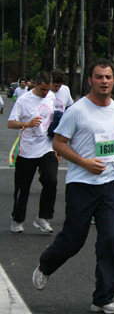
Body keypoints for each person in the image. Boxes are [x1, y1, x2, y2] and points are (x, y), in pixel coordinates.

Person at [32, 59, 114, 314]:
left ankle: (104, 297)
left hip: (109, 184)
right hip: (81, 184)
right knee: (74, 240)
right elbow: (58, 143)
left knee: (109, 240)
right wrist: (85, 162)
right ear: (90, 80)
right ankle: (46, 264)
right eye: (99, 77)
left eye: (108, 77)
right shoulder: (76, 110)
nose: (104, 81)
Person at [8, 71, 57, 234]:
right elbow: (11, 123)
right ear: (35, 84)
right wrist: (27, 123)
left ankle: (42, 218)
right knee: (23, 188)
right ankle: (17, 219)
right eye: (43, 89)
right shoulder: (23, 100)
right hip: (27, 150)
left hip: (46, 147)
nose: (45, 93)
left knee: (51, 181)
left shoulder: (51, 97)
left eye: (48, 89)